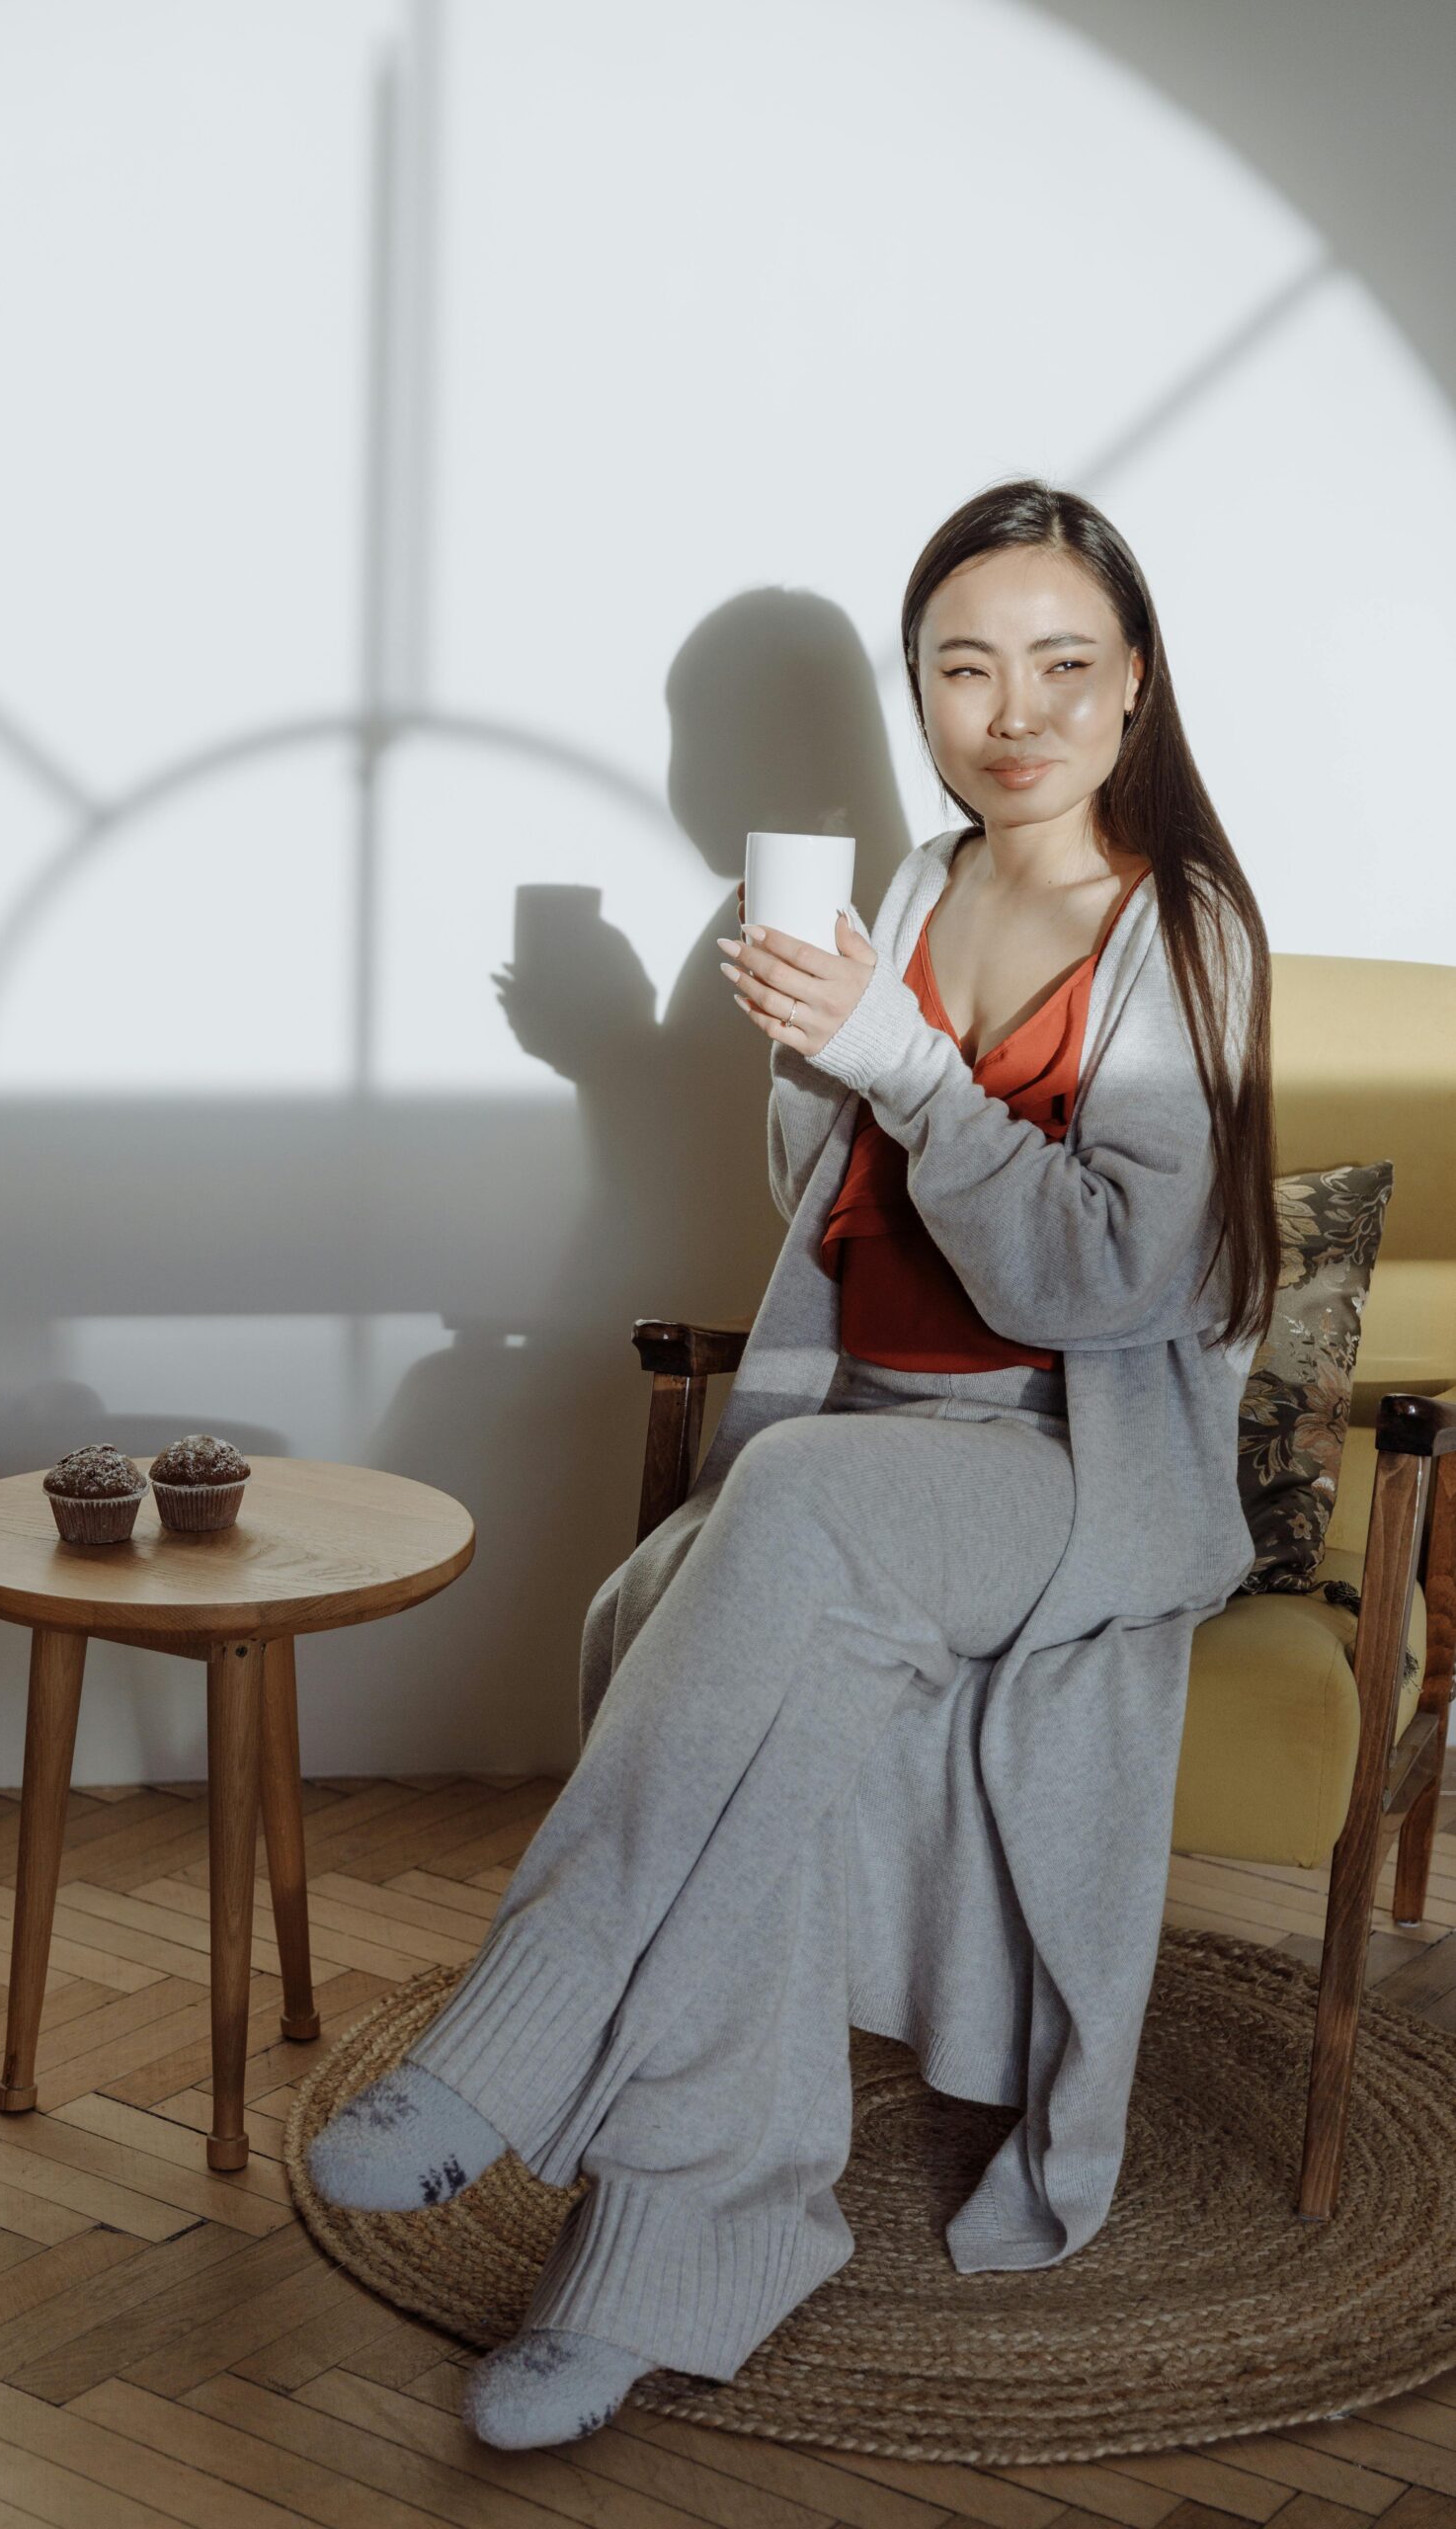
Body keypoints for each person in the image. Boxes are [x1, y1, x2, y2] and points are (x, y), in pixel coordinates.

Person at [308, 477, 1278, 2450]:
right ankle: (683, 2242)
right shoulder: (906, 885)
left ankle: (525, 2025)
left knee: (789, 1512)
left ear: (1135, 683)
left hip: (1069, 1472)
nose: (1011, 707)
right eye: (961, 664)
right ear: (916, 688)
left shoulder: (1176, 935)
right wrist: (809, 1051)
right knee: (680, 1604)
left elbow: (1108, 1280)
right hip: (866, 1443)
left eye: (1060, 662)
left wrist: (905, 1065)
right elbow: (828, 1204)